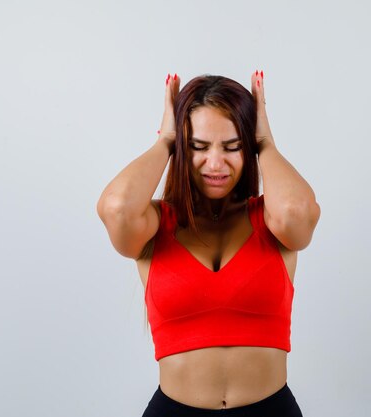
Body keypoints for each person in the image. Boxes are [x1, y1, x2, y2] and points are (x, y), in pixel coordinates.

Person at [97, 70, 320, 417]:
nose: (215, 163)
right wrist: (166, 140)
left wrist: (266, 143)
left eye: (233, 147)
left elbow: (298, 213)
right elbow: (116, 208)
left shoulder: (272, 221)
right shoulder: (155, 225)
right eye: (198, 147)